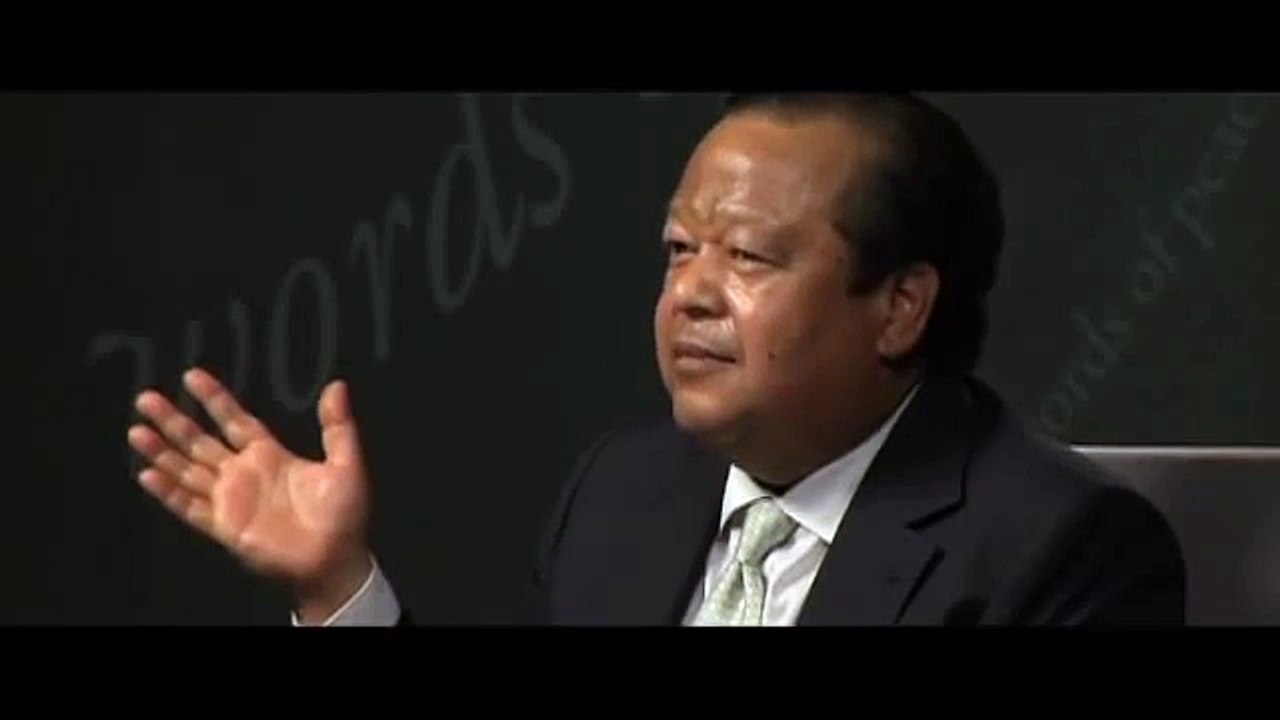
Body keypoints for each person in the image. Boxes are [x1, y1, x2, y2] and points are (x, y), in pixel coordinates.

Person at [126, 92, 1187, 626]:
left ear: (899, 306)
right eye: (680, 250)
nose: (689, 293)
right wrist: (337, 586)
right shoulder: (624, 491)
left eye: (748, 257)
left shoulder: (1060, 550)